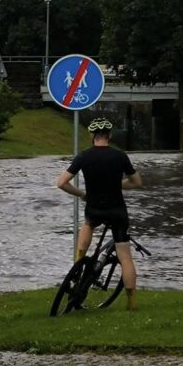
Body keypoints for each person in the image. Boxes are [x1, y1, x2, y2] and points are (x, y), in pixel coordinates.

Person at [55, 117, 144, 309]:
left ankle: (78, 265)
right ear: (109, 135)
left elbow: (61, 183)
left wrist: (82, 194)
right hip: (117, 210)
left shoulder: (84, 156)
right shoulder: (120, 156)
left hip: (94, 207)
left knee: (88, 224)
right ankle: (132, 302)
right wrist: (117, 185)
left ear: (91, 136)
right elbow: (137, 182)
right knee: (125, 257)